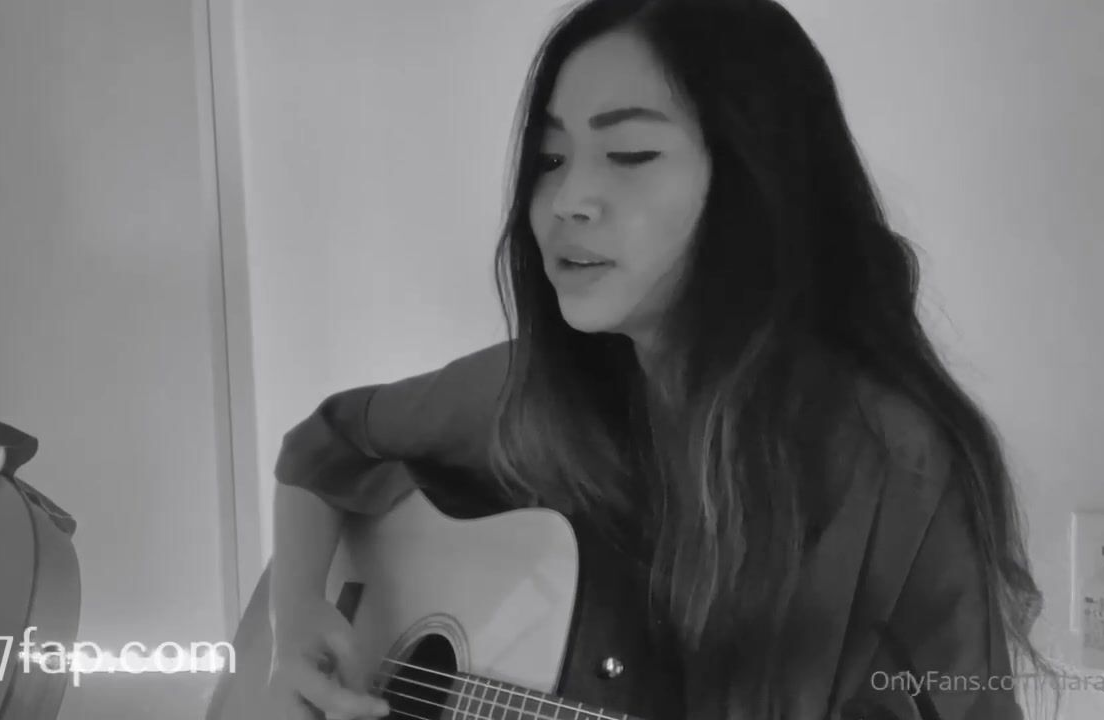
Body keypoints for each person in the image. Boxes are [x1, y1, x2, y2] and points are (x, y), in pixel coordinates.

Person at [266, 0, 1061, 718]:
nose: (566, 201)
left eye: (630, 153)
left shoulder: (892, 467)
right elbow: (323, 445)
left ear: (757, 181)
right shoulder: (537, 391)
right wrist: (295, 619)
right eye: (550, 159)